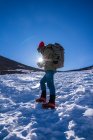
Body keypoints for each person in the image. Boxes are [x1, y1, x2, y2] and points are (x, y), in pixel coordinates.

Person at [36, 41, 57, 109]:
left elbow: (45, 60)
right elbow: (46, 60)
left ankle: (52, 102)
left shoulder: (47, 50)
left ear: (41, 47)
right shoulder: (45, 51)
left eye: (39, 48)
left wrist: (40, 64)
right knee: (42, 82)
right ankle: (43, 97)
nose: (39, 50)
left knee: (50, 85)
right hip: (48, 70)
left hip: (50, 70)